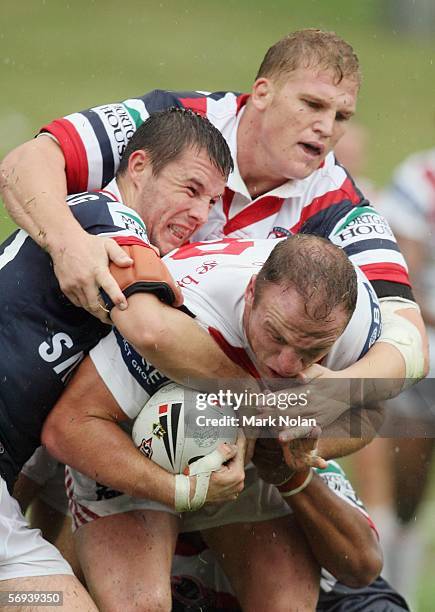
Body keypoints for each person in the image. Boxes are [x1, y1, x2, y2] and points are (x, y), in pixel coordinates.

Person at [0, 29, 428, 400]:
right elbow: (24, 164)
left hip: (205, 387)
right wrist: (68, 244)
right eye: (312, 104)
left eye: (341, 116)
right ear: (262, 92)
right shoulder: (177, 120)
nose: (326, 127)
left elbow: (408, 337)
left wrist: (336, 394)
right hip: (77, 345)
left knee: (362, 412)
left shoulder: (339, 204)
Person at [42, 234, 382, 611]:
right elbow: (69, 424)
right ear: (252, 291)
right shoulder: (183, 312)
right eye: (276, 336)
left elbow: (370, 415)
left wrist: (306, 445)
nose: (287, 365)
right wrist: (179, 491)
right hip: (134, 440)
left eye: (312, 351)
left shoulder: (353, 321)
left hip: (248, 462)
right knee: (140, 605)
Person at [0, 109, 248, 596]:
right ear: (138, 167)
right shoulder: (104, 217)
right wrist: (261, 396)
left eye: (212, 202)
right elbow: (155, 331)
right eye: (190, 189)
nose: (201, 214)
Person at [355, 146, 435, 606]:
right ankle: (382, 593)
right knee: (396, 491)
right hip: (415, 351)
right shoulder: (418, 181)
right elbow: (404, 284)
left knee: (411, 503)